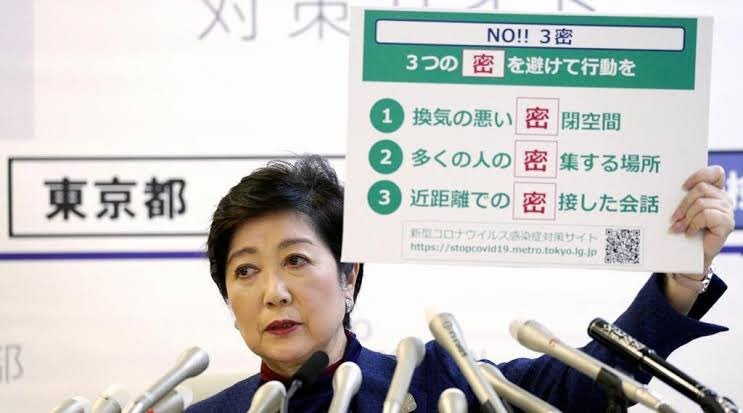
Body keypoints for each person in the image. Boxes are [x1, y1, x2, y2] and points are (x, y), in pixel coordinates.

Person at [187, 155, 734, 412]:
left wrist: (682, 274)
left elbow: (573, 386)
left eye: (296, 260)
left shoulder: (432, 380)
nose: (274, 292)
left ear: (349, 275)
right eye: (245, 271)